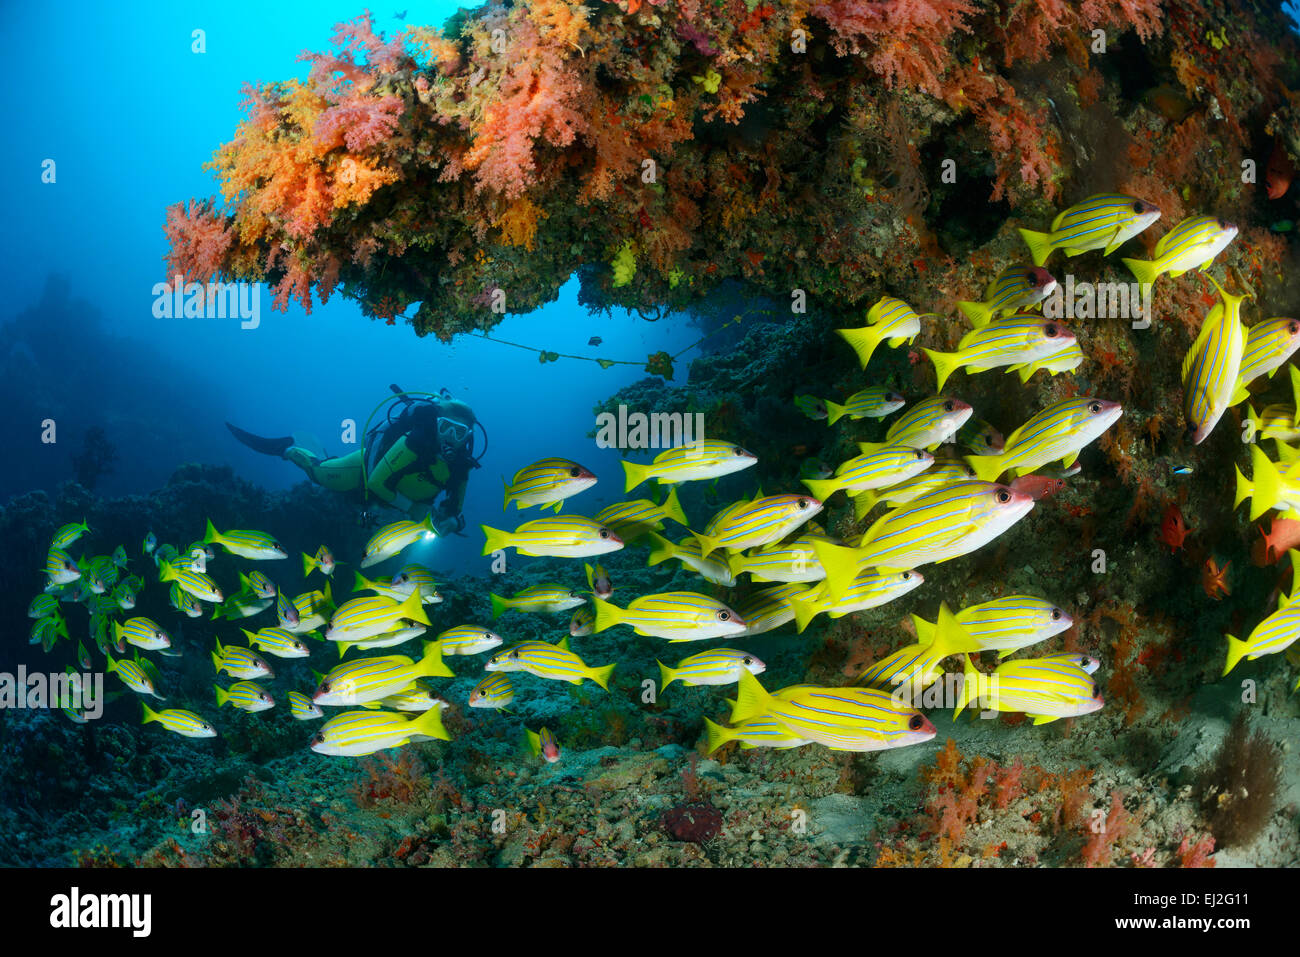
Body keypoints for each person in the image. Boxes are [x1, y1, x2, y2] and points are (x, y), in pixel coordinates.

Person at [227, 386, 480, 535]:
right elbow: (376, 482)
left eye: (460, 433)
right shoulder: (415, 442)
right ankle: (291, 447)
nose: (451, 438)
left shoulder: (461, 466)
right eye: (446, 427)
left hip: (395, 505)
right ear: (436, 424)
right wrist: (412, 508)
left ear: (468, 437)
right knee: (319, 475)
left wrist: (451, 522)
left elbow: (455, 508)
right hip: (363, 472)